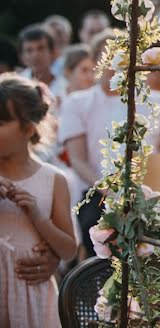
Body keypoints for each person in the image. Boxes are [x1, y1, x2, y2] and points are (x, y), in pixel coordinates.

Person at [58, 29, 160, 253]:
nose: (116, 63)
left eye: (123, 56)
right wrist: (112, 192)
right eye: (109, 56)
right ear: (96, 62)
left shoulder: (157, 101)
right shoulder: (77, 103)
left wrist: (144, 196)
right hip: (97, 195)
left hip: (150, 195)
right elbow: (77, 160)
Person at [0, 73, 78, 328]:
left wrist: (37, 216)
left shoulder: (53, 179)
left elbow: (68, 249)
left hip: (30, 294)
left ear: (28, 128)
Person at [18, 25, 65, 100]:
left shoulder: (66, 86)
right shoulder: (16, 87)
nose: (35, 55)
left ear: (53, 53)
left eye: (41, 48)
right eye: (29, 50)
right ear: (22, 57)